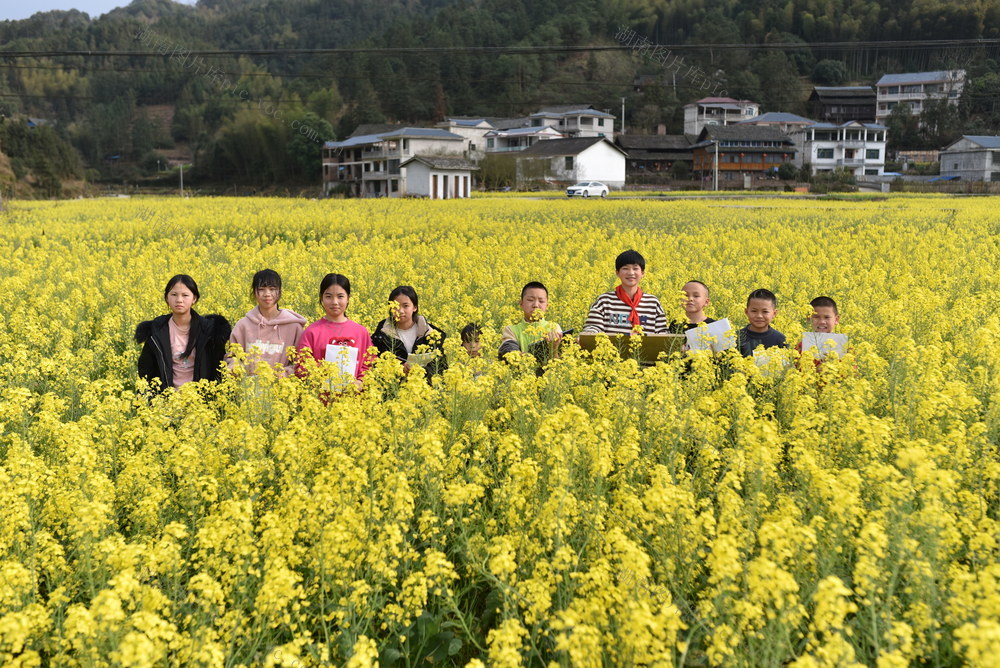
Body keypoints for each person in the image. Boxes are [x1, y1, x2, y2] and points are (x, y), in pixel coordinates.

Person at [136, 274, 232, 391]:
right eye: (174, 295)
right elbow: (146, 369)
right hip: (167, 401)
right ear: (167, 298)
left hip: (202, 401)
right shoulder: (156, 330)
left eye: (185, 295)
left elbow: (219, 368)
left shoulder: (210, 331)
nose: (179, 300)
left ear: (194, 299)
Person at [296, 274, 373, 389]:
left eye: (340, 296)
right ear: (321, 298)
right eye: (328, 297)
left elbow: (369, 364)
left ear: (348, 299)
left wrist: (361, 381)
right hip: (318, 400)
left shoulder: (361, 332)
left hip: (354, 399)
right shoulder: (312, 331)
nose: (334, 302)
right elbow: (301, 366)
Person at [228, 269, 306, 376]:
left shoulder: (294, 326)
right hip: (248, 388)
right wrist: (235, 368)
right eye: (261, 289)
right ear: (254, 292)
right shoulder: (243, 325)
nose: (267, 294)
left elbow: (300, 363)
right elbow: (232, 357)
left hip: (282, 388)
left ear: (280, 292)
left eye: (272, 289)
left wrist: (286, 373)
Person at [581, 250, 666, 334]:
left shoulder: (653, 303)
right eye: (625, 268)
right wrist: (588, 334)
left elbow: (662, 334)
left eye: (635, 268)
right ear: (617, 273)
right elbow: (593, 328)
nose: (631, 273)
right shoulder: (605, 301)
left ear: (642, 273)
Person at [371, 285, 447, 379]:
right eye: (395, 306)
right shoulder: (381, 334)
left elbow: (440, 368)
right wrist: (398, 368)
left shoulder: (431, 334)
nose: (400, 311)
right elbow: (374, 363)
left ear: (414, 307)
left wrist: (421, 371)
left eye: (406, 306)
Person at [499, 281, 563, 361]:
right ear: (521, 303)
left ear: (547, 306)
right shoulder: (511, 330)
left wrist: (553, 350)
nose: (536, 305)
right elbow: (510, 354)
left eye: (541, 301)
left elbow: (559, 366)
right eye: (530, 300)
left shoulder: (554, 328)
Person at [737, 288, 787, 357]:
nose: (759, 316)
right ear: (746, 312)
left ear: (774, 314)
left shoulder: (781, 340)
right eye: (754, 311)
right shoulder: (736, 338)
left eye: (765, 312)